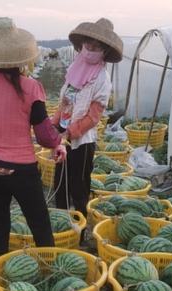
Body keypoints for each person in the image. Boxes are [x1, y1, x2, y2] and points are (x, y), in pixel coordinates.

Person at [0, 18, 66, 262]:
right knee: (39, 224)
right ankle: (50, 272)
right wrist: (57, 143)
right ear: (21, 57)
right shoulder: (31, 88)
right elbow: (43, 133)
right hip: (22, 171)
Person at [51, 18, 123, 219]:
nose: (90, 49)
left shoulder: (102, 79)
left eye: (96, 46)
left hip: (81, 142)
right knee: (60, 183)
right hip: (63, 138)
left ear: (104, 51)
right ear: (81, 44)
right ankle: (62, 223)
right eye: (88, 44)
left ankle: (79, 230)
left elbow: (93, 117)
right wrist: (55, 124)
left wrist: (70, 133)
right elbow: (65, 102)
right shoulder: (75, 68)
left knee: (78, 186)